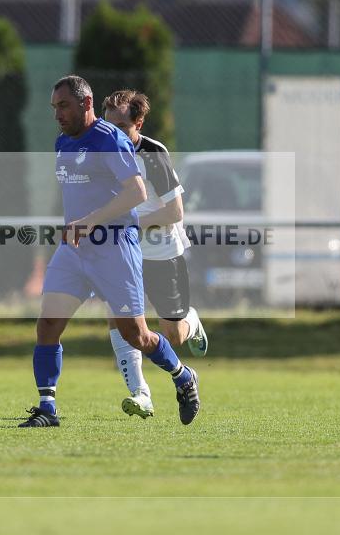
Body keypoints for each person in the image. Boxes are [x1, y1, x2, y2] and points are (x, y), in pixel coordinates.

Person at [19, 75, 201, 428]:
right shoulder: (62, 143)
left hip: (115, 249)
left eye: (64, 106)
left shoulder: (110, 139)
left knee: (138, 335)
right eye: (54, 107)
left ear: (86, 104)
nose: (57, 114)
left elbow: (137, 193)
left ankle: (182, 376)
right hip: (74, 251)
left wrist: (89, 221)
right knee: (48, 325)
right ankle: (47, 408)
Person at [101, 90, 207, 420]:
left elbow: (175, 212)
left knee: (172, 334)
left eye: (121, 125)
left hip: (163, 254)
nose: (114, 132)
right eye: (108, 124)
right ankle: (141, 393)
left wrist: (130, 223)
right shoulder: (99, 151)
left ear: (139, 122)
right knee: (120, 322)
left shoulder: (153, 153)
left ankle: (192, 321)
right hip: (122, 253)